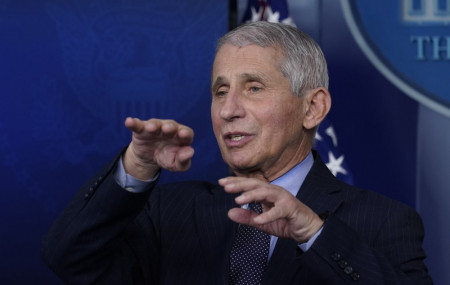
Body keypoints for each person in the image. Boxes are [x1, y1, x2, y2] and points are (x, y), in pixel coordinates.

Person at [41, 21, 432, 284]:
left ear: (312, 108)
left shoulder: (385, 220)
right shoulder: (169, 212)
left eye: (254, 88)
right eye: (220, 91)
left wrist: (314, 233)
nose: (229, 110)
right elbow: (69, 258)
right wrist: (136, 167)